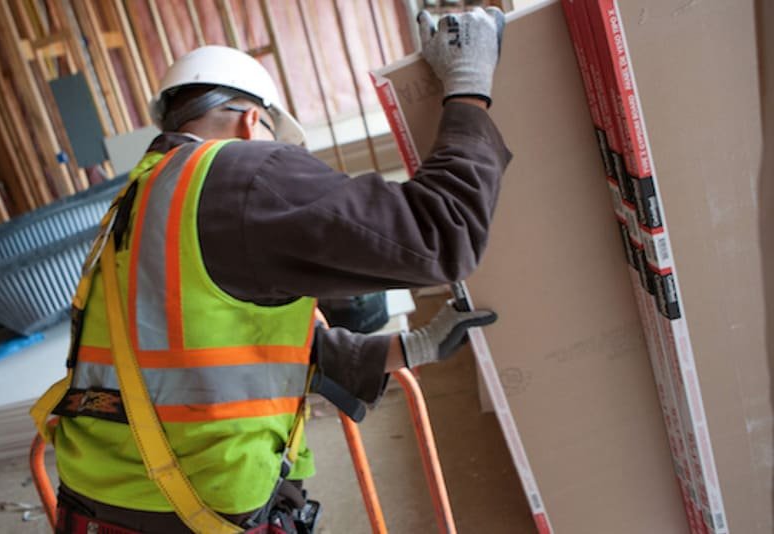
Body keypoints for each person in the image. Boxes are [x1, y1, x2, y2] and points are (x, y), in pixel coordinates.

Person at [33, 7, 509, 533]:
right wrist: (468, 87)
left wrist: (405, 349)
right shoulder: (245, 173)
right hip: (194, 512)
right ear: (250, 121)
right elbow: (441, 234)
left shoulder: (137, 198)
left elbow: (193, 354)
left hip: (94, 504)